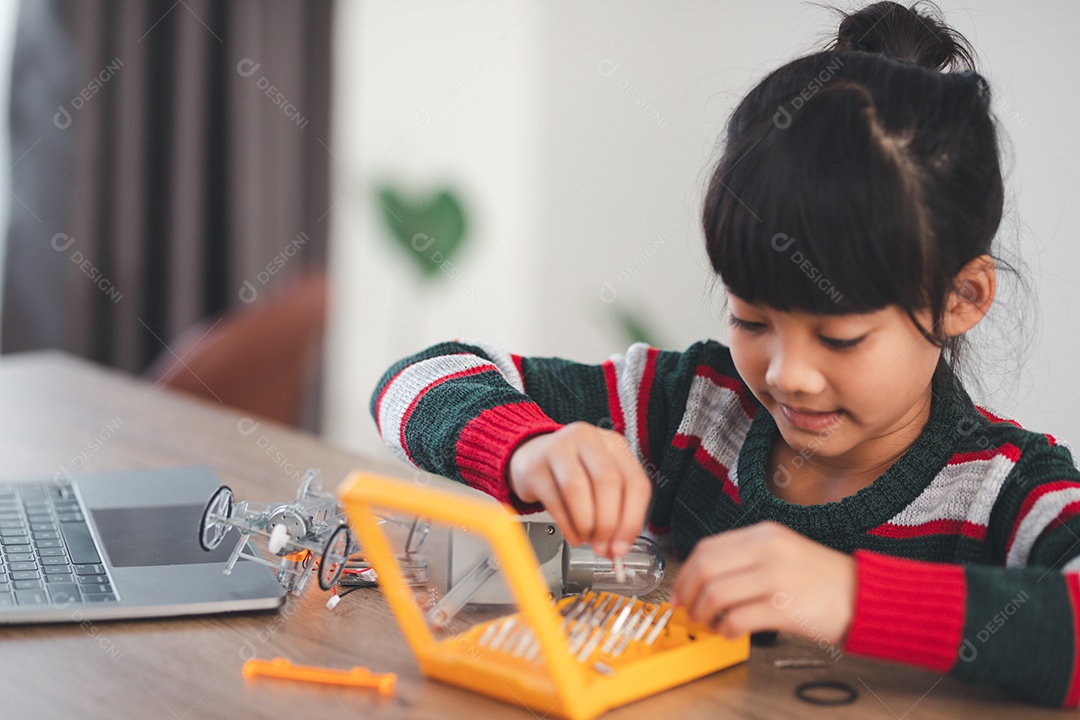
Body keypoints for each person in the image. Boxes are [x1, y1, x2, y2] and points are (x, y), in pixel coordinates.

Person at [370, 1, 1080, 707]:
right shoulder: (693, 408)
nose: (787, 375)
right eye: (751, 318)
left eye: (840, 338)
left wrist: (852, 596)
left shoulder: (1003, 489)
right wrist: (526, 448)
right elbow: (416, 380)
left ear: (962, 297)